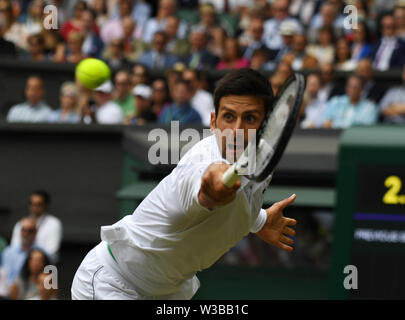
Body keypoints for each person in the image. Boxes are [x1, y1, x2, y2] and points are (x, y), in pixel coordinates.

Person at [71, 68, 298, 300]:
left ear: (266, 128)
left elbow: (240, 207)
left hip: (168, 291)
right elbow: (206, 186)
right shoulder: (201, 164)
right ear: (213, 122)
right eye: (229, 117)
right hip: (114, 283)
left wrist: (259, 221)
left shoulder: (260, 159)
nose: (237, 130)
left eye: (250, 118)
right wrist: (214, 186)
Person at [10, 191, 62, 264]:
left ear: (46, 205)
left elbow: (51, 251)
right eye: (32, 204)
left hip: (45, 265)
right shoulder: (21, 223)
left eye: (39, 204)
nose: (35, 207)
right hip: (21, 264)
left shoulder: (54, 223)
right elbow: (14, 248)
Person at [2, 217, 38, 286]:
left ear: (35, 232)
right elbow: (5, 278)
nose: (26, 234)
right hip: (10, 292)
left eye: (30, 231)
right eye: (23, 230)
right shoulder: (8, 252)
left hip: (34, 293)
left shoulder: (42, 254)